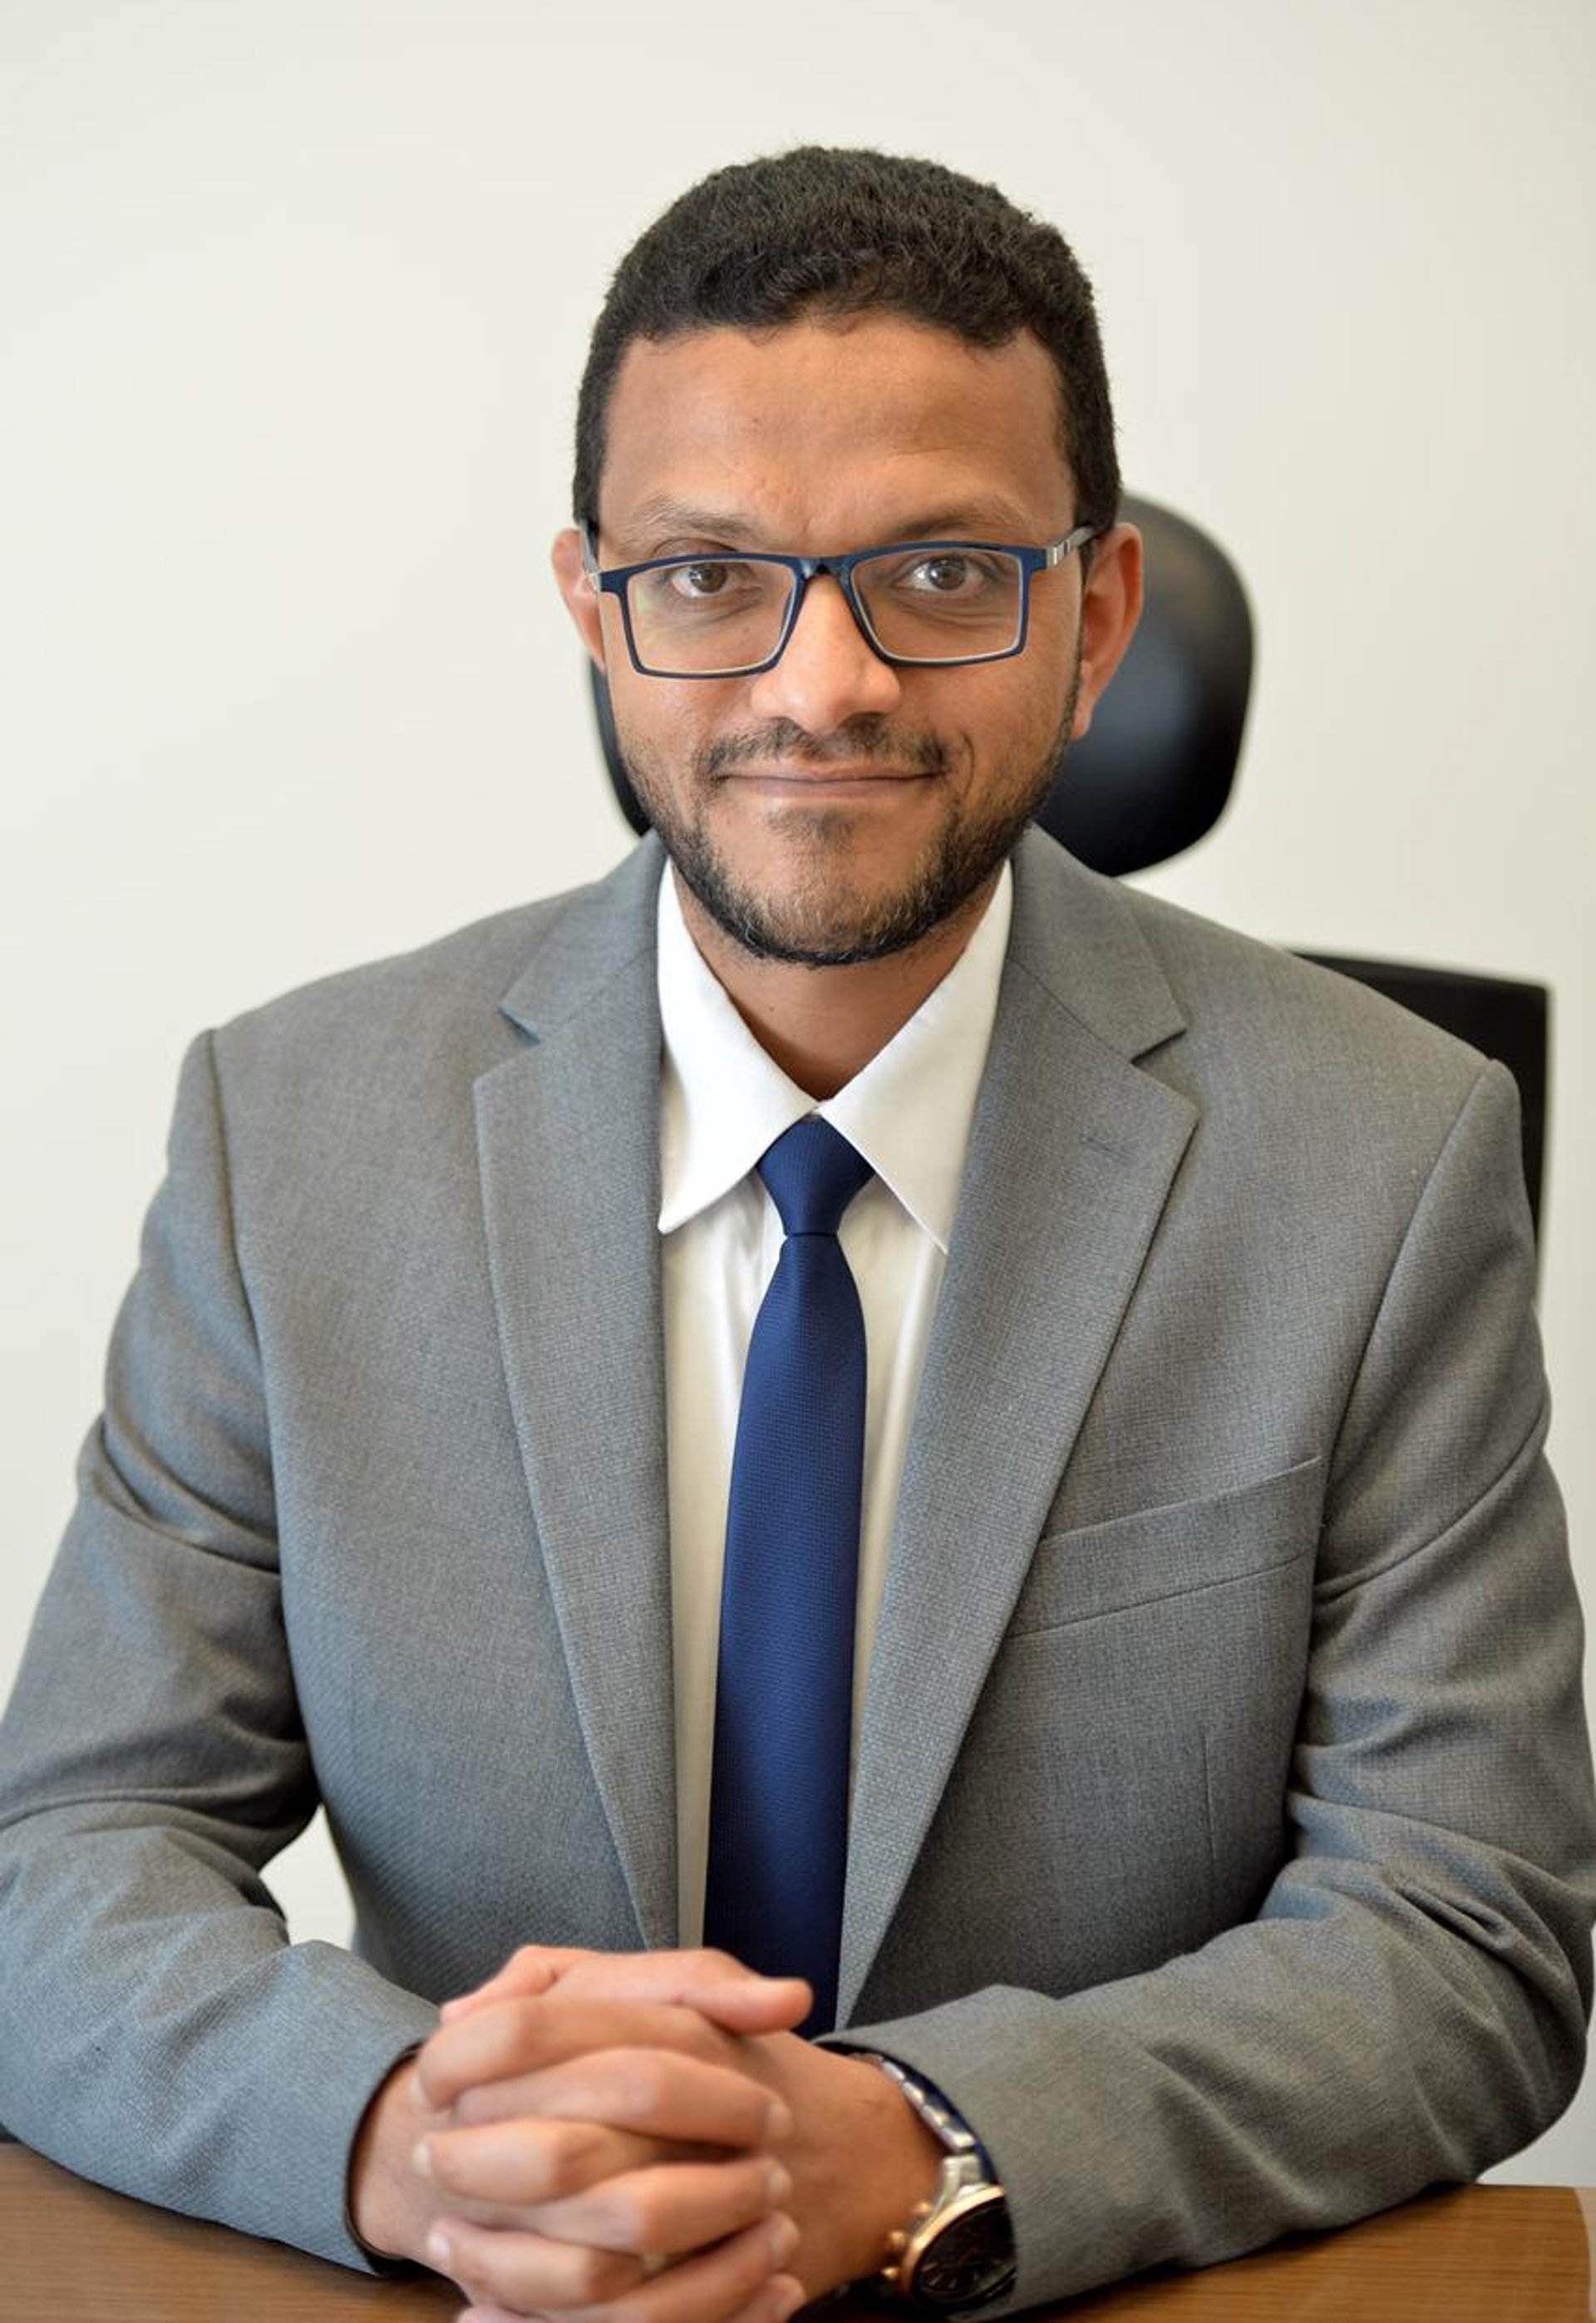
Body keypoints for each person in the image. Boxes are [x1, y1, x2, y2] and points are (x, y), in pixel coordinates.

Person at [0, 146, 1591, 2321]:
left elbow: (1469, 1923)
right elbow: (58, 1863)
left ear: (1099, 612)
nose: (820, 682)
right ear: (595, 605)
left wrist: (931, 2143)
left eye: (941, 571)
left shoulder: (1390, 1157)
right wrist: (417, 2134)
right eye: (711, 575)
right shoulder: (294, 1140)